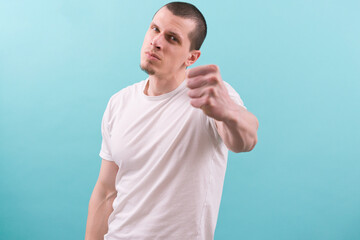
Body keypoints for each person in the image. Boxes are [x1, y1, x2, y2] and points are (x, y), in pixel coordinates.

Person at [85, 2, 259, 240]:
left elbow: (245, 141)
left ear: (192, 57)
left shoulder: (209, 96)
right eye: (154, 29)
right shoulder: (119, 103)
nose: (156, 41)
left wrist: (229, 112)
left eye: (172, 38)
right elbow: (106, 192)